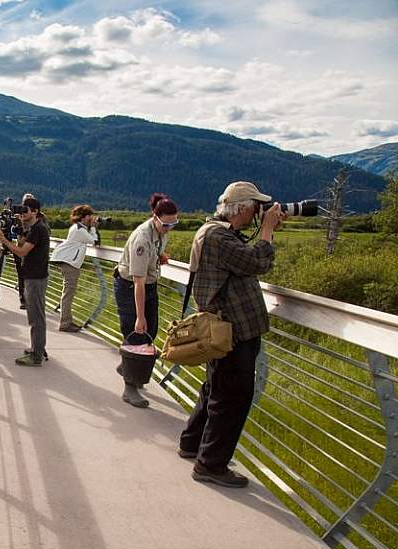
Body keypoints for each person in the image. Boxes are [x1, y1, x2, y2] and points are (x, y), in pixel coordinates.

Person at [179, 181, 285, 488]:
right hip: (233, 330)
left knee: (216, 389)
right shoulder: (217, 236)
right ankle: (211, 464)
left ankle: (192, 443)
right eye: (255, 206)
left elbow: (244, 260)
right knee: (233, 397)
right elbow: (257, 262)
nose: (259, 211)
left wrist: (266, 229)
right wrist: (266, 230)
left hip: (226, 328)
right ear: (241, 208)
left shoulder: (215, 232)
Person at [114, 193, 179, 408]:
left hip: (149, 285)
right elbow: (138, 282)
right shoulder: (142, 237)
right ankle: (130, 388)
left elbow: (155, 252)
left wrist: (160, 257)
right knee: (138, 335)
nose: (169, 228)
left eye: (173, 224)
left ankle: (127, 366)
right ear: (155, 217)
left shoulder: (160, 233)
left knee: (152, 330)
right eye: (166, 224)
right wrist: (139, 317)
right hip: (131, 287)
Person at [0, 196, 50, 366]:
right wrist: (21, 228)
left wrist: (3, 240)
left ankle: (37, 355)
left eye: (25, 210)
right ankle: (36, 348)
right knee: (34, 316)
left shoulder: (38, 230)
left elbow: (21, 252)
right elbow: (21, 243)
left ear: (34, 211)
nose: (22, 213)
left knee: (36, 318)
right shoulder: (32, 228)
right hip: (32, 276)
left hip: (36, 278)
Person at [50, 204, 99, 332]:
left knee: (67, 292)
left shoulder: (78, 227)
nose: (91, 218)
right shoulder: (79, 230)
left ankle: (66, 321)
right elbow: (95, 241)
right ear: (84, 217)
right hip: (70, 263)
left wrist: (91, 227)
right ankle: (65, 323)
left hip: (69, 261)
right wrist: (93, 228)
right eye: (89, 216)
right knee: (68, 293)